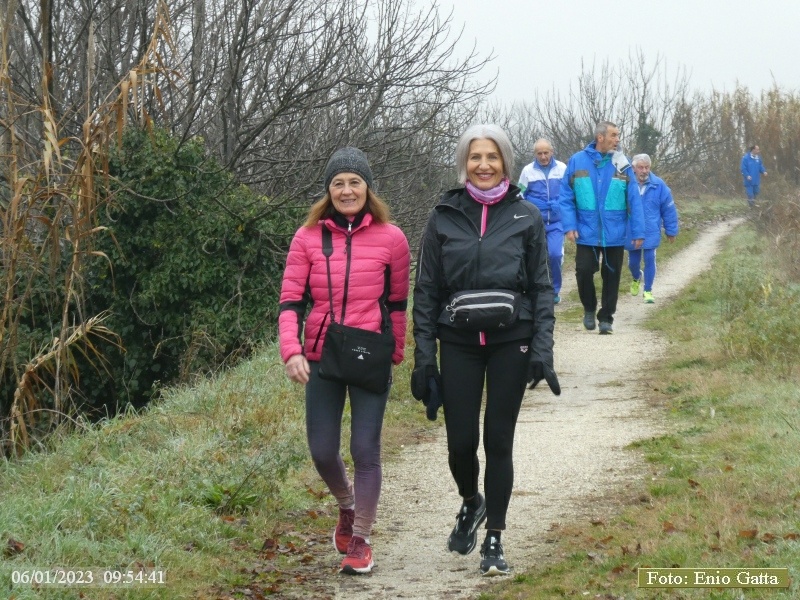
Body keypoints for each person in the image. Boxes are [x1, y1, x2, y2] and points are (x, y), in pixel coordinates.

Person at [411, 124, 561, 577]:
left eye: (492, 157)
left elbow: (542, 288)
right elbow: (426, 291)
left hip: (511, 341)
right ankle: (471, 500)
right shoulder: (442, 216)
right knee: (460, 443)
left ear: (506, 163)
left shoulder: (525, 216)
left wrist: (542, 349)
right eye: (475, 157)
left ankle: (494, 536)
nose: (483, 165)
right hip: (458, 343)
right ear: (464, 163)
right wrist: (424, 359)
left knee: (498, 440)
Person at [278, 147, 410, 575]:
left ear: (368, 188)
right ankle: (347, 505)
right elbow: (290, 302)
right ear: (328, 190)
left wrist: (396, 350)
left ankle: (362, 540)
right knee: (321, 450)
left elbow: (398, 304)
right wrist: (292, 350)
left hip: (370, 354)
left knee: (364, 449)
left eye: (355, 182)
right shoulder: (307, 237)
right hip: (322, 356)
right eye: (338, 183)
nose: (347, 190)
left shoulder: (392, 238)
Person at [559, 121, 645, 335]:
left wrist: (638, 231)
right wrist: (569, 225)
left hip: (614, 231)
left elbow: (633, 199)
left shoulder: (622, 163)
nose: (617, 139)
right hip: (585, 229)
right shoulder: (577, 161)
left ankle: (606, 318)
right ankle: (589, 308)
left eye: (618, 135)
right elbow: (566, 196)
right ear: (600, 137)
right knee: (583, 271)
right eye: (613, 135)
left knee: (612, 276)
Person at [518, 138, 567, 303]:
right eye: (539, 153)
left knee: (555, 254)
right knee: (535, 257)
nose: (543, 156)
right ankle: (535, 290)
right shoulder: (527, 171)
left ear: (552, 152)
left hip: (557, 221)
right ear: (535, 154)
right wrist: (532, 206)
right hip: (536, 222)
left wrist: (559, 204)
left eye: (546, 152)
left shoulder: (562, 168)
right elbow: (520, 194)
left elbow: (569, 193)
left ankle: (554, 290)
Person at [625, 154, 679, 304]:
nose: (644, 171)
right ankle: (636, 277)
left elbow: (668, 209)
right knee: (633, 262)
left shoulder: (659, 185)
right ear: (634, 168)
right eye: (641, 167)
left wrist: (671, 230)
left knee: (649, 259)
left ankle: (648, 290)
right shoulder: (627, 183)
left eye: (647, 167)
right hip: (632, 230)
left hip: (651, 230)